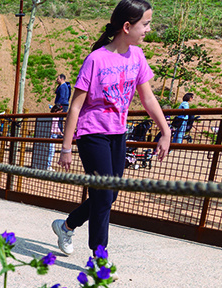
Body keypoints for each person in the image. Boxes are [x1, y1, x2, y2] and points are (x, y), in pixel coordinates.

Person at [51, 0, 170, 257]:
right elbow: (75, 106)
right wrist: (66, 147)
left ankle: (67, 225)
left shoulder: (137, 56)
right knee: (104, 196)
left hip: (117, 134)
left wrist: (165, 130)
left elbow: (148, 98)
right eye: (145, 24)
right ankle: (99, 257)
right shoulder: (96, 59)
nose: (148, 29)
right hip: (92, 134)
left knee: (109, 195)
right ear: (127, 27)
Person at [47, 104, 65, 171]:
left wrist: (60, 132)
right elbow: (52, 128)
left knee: (52, 150)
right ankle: (47, 166)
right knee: (50, 150)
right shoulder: (51, 117)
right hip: (51, 135)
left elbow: (56, 127)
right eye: (59, 112)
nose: (60, 114)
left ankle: (48, 165)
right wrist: (58, 132)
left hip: (54, 135)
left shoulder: (56, 117)